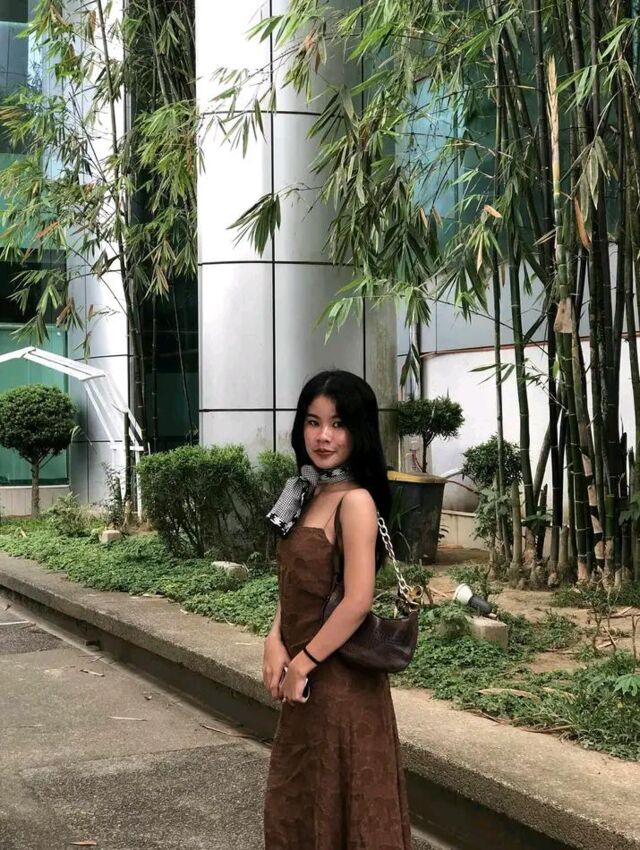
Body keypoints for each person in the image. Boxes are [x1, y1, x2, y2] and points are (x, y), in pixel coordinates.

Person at [262, 370, 412, 850]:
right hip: (304, 678)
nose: (323, 436)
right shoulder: (305, 491)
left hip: (340, 684)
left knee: (343, 801)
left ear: (359, 430)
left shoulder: (356, 501)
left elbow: (357, 601)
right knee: (302, 798)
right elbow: (296, 583)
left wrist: (303, 662)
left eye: (338, 423)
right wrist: (274, 639)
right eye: (313, 422)